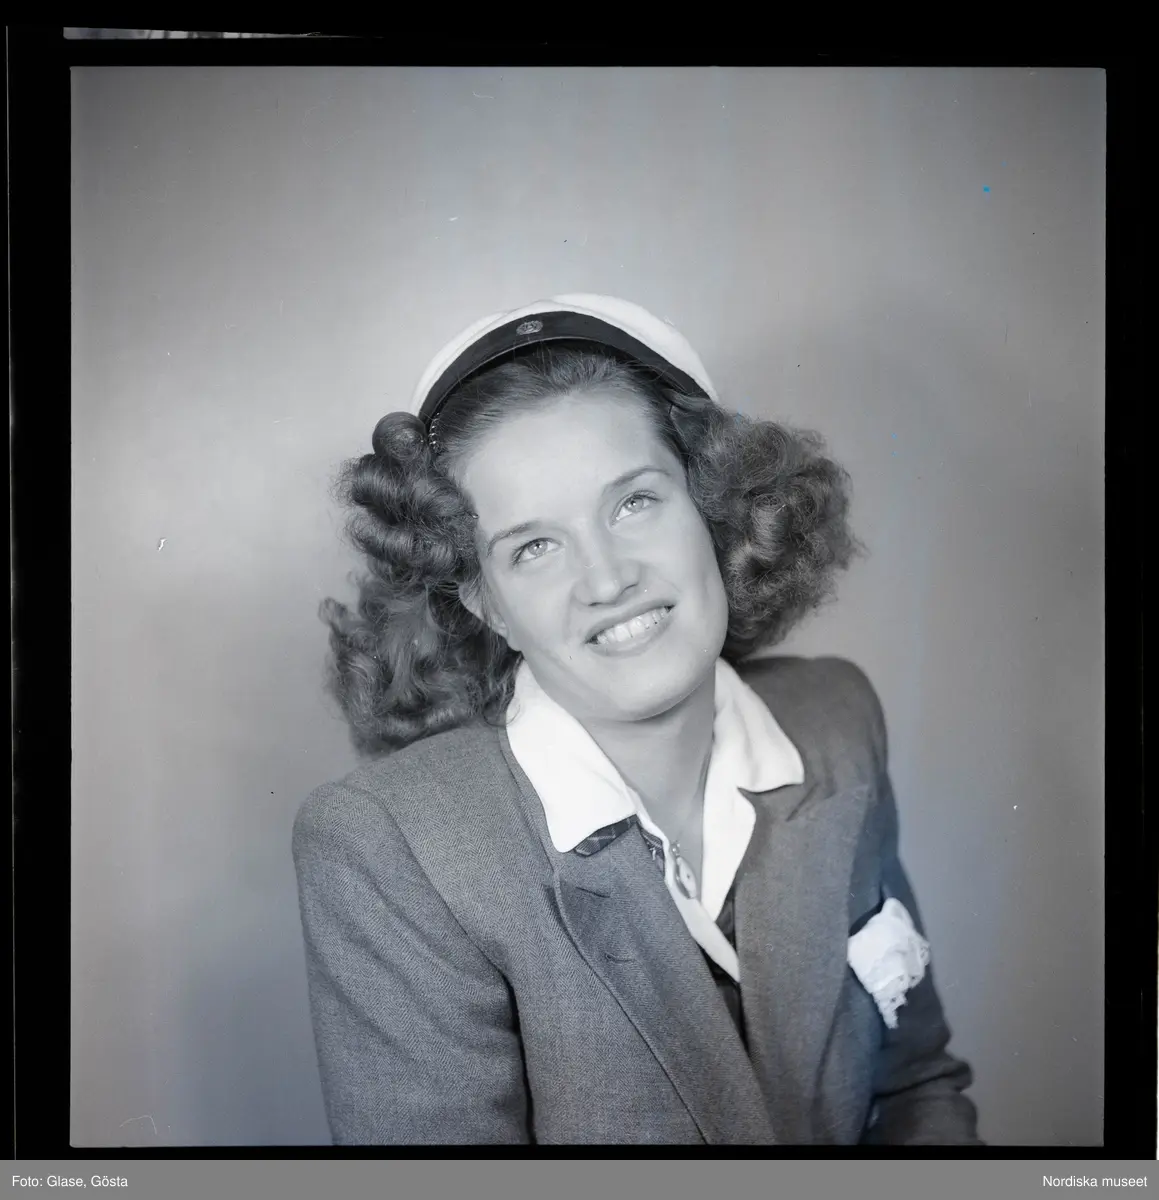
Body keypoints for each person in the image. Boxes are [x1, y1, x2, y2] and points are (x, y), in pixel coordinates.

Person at [292, 294, 982, 1145]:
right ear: (485, 603)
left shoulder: (833, 720)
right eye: (533, 547)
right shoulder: (391, 848)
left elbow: (915, 1085)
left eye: (633, 503)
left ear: (715, 508)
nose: (607, 578)